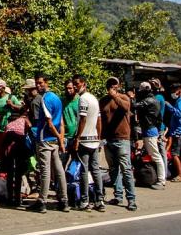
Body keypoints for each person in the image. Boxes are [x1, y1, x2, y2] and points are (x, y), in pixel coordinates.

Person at [28, 74, 69, 213]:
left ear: (46, 83)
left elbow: (49, 122)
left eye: (40, 83)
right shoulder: (57, 98)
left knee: (45, 170)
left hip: (45, 138)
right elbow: (61, 121)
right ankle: (64, 200)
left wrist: (58, 137)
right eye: (37, 83)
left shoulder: (45, 99)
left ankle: (42, 201)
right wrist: (60, 139)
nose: (38, 86)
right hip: (54, 141)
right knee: (58, 170)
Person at [100, 77, 137, 211]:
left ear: (119, 86)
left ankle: (131, 199)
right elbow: (101, 121)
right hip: (108, 139)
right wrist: (101, 138)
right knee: (113, 170)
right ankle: (118, 195)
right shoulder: (103, 101)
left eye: (115, 84)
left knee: (126, 169)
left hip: (122, 139)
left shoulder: (124, 98)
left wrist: (115, 96)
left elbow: (126, 107)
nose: (112, 86)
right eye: (110, 84)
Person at [69, 75, 104, 212]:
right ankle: (99, 200)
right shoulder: (94, 98)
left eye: (77, 84)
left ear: (83, 84)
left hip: (84, 140)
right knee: (95, 170)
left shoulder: (83, 99)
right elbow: (99, 120)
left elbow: (82, 120)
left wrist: (77, 138)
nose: (76, 86)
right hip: (94, 139)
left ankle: (85, 200)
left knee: (84, 171)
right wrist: (99, 137)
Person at [135, 82, 166, 189]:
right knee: (154, 156)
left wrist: (129, 98)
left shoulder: (148, 101)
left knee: (156, 156)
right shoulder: (156, 100)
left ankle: (161, 180)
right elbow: (160, 118)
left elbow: (135, 106)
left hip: (149, 131)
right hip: (152, 130)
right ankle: (155, 178)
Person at [164, 83, 181, 182]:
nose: (172, 93)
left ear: (179, 91)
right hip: (178, 131)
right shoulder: (179, 101)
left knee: (175, 154)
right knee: (178, 154)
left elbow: (178, 114)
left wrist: (169, 105)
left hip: (179, 132)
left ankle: (180, 175)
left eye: (173, 91)